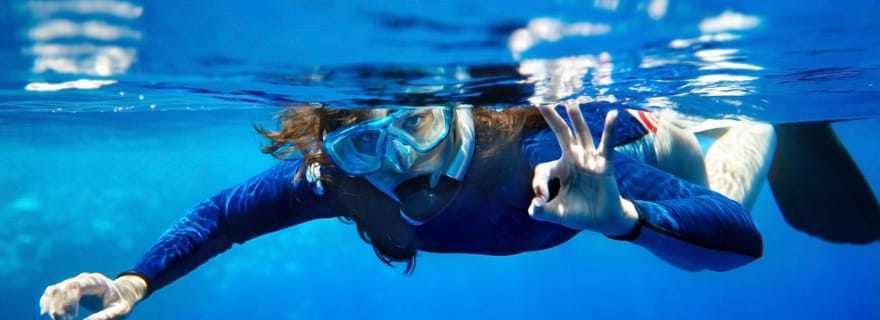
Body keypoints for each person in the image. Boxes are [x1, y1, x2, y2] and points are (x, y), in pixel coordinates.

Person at [40, 102, 766, 320]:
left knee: (723, 190)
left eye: (414, 125)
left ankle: (755, 123)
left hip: (651, 139)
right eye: (362, 146)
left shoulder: (540, 155)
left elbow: (739, 242)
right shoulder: (340, 184)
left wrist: (626, 220)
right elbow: (225, 216)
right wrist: (135, 281)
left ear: (454, 109)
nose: (396, 161)